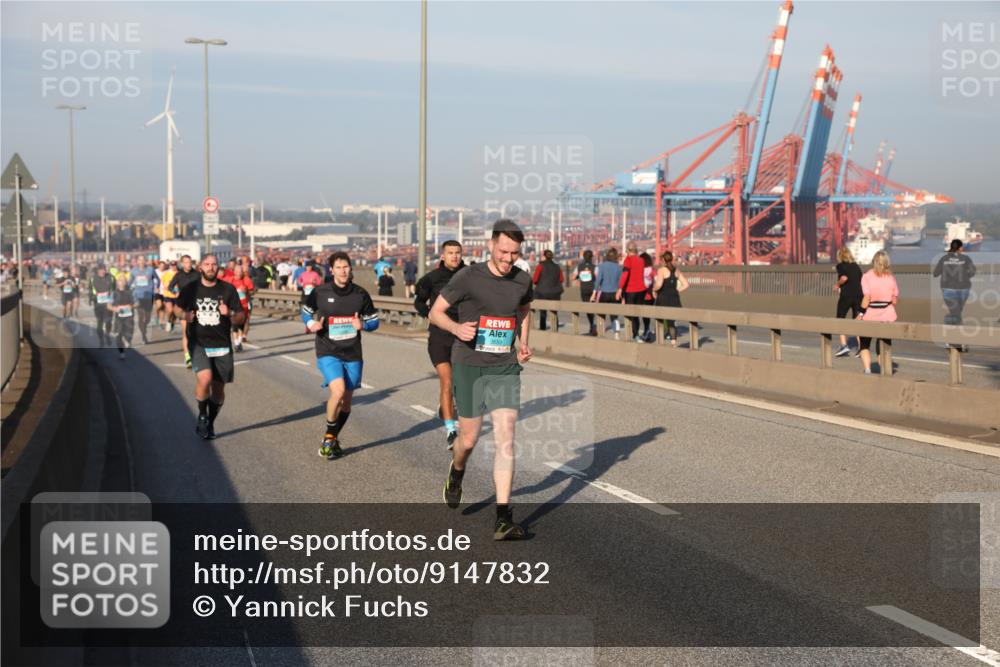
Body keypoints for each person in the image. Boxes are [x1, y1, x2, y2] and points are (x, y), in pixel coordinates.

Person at [430, 219, 533, 541]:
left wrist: (523, 343)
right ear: (491, 245)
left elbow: (525, 310)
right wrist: (456, 329)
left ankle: (503, 518)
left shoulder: (522, 279)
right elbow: (436, 312)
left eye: (514, 253)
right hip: (470, 365)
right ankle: (457, 470)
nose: (508, 258)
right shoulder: (468, 277)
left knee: (506, 438)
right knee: (469, 441)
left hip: (503, 366)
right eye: (503, 251)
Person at [300, 251, 379, 459]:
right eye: (338, 267)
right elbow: (306, 311)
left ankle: (333, 438)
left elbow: (375, 321)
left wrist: (362, 324)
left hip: (353, 352)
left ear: (350, 268)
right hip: (328, 349)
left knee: (347, 402)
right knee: (338, 391)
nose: (343, 271)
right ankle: (328, 436)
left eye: (346, 267)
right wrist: (311, 323)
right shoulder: (320, 292)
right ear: (331, 270)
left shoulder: (361, 294)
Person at [176, 254, 245, 439]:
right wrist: (185, 316)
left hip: (222, 344)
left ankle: (210, 422)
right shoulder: (191, 289)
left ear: (218, 267)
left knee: (219, 389)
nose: (210, 267)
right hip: (199, 343)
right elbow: (176, 308)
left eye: (214, 264)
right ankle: (202, 414)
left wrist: (229, 313)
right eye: (207, 264)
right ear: (200, 267)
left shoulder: (228, 289)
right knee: (205, 378)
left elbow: (241, 317)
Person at [414, 240, 465, 449]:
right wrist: (430, 315)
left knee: (459, 384)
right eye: (450, 253)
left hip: (463, 335)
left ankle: (447, 404)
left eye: (457, 253)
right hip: (439, 337)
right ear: (442, 255)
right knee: (447, 379)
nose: (454, 256)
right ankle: (451, 431)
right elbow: (419, 301)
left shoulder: (470, 275)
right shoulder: (431, 279)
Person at [858, 250, 898, 375]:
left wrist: (860, 314)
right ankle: (884, 370)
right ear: (887, 263)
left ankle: (868, 369)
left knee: (864, 343)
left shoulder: (867, 276)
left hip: (870, 314)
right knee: (883, 344)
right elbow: (894, 300)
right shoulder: (891, 278)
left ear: (874, 262)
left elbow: (866, 298)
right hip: (886, 315)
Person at [933, 239, 976, 328]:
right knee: (957, 311)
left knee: (954, 311)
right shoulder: (966, 258)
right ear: (960, 248)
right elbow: (972, 272)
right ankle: (957, 331)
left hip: (948, 289)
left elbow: (935, 273)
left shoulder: (944, 258)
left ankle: (952, 330)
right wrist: (965, 276)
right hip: (964, 288)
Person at [168, 255, 201, 368]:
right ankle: (187, 357)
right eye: (186, 262)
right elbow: (170, 287)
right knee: (186, 332)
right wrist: (176, 293)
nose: (188, 264)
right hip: (184, 306)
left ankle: (196, 353)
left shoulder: (197, 274)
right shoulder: (179, 275)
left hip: (196, 306)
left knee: (197, 332)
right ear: (182, 263)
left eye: (190, 262)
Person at [652, 251, 689, 346]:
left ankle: (660, 342)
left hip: (663, 298)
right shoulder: (677, 270)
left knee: (660, 320)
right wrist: (676, 291)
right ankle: (674, 343)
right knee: (671, 322)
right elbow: (686, 284)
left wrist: (653, 290)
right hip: (674, 299)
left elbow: (659, 284)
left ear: (663, 260)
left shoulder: (662, 270)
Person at [833, 247, 863, 357]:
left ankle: (844, 346)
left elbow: (844, 278)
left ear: (840, 256)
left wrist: (837, 285)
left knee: (840, 319)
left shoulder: (841, 266)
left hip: (846, 296)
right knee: (857, 321)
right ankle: (861, 348)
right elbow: (861, 279)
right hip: (859, 296)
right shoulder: (856, 266)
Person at [618, 242, 650, 343]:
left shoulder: (628, 260)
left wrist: (620, 288)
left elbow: (625, 275)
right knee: (637, 313)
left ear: (627, 250)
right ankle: (639, 333)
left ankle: (635, 334)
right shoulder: (641, 260)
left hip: (630, 291)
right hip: (641, 290)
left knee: (631, 314)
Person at [223, 264, 255, 351]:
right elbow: (224, 290)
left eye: (241, 272)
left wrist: (246, 292)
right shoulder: (230, 280)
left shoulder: (246, 280)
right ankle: (236, 343)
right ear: (234, 272)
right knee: (234, 324)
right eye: (237, 271)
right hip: (233, 306)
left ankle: (239, 341)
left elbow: (252, 291)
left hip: (244, 306)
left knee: (242, 324)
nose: (239, 273)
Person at [592, 248, 623, 335]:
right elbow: (620, 282)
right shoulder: (619, 267)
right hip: (615, 293)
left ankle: (601, 331)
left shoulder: (602, 266)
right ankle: (616, 332)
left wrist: (594, 293)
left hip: (604, 293)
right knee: (614, 315)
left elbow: (598, 280)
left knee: (601, 314)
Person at [532, 249, 564, 331]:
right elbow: (561, 279)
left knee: (543, 312)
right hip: (556, 292)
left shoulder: (540, 266)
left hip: (542, 292)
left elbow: (535, 279)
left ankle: (543, 328)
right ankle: (555, 329)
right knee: (554, 312)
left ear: (544, 256)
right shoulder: (557, 266)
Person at [129, 256, 158, 345]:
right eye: (139, 260)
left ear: (145, 261)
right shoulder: (134, 271)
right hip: (138, 296)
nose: (141, 261)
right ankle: (143, 336)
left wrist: (156, 288)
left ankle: (144, 328)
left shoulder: (150, 270)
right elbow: (130, 282)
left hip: (149, 296)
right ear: (137, 261)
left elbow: (157, 279)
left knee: (148, 318)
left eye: (143, 260)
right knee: (141, 316)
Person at [90, 265, 116, 347]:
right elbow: (90, 290)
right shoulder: (93, 278)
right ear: (97, 271)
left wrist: (114, 298)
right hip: (98, 304)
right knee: (99, 323)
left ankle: (107, 334)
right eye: (101, 270)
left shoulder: (111, 277)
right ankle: (101, 340)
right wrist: (92, 298)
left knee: (108, 321)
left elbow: (115, 289)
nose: (103, 272)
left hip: (108, 303)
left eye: (104, 270)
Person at [111, 273, 135, 360]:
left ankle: (127, 341)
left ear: (126, 282)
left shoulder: (131, 292)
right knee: (118, 336)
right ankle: (121, 352)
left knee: (129, 334)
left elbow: (137, 303)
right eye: (120, 280)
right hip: (118, 317)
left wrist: (131, 306)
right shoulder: (113, 293)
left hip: (129, 317)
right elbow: (108, 306)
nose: (121, 282)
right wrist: (115, 309)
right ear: (117, 283)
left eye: (123, 280)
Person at [574, 250, 597, 335]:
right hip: (592, 289)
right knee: (593, 308)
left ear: (583, 257)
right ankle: (593, 325)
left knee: (587, 308)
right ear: (592, 257)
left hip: (584, 290)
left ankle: (592, 325)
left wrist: (580, 275)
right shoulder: (595, 267)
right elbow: (597, 278)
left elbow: (573, 277)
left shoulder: (579, 267)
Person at [158, 260, 178, 332]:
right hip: (168, 295)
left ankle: (172, 322)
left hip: (177, 296)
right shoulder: (166, 274)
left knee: (175, 312)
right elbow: (165, 285)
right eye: (172, 265)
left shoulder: (179, 273)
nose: (173, 266)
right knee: (170, 310)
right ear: (170, 266)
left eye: (174, 265)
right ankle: (169, 321)